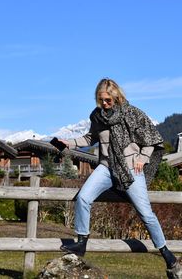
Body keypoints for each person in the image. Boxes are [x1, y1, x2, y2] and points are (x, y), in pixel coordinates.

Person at [59, 78, 178, 272]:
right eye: (101, 100)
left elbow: (151, 139)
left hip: (130, 168)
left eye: (108, 100)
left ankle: (166, 254)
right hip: (106, 167)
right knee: (83, 198)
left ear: (116, 97)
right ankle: (81, 243)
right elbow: (91, 138)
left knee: (145, 213)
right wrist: (69, 143)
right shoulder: (97, 116)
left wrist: (142, 158)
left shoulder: (131, 114)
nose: (104, 104)